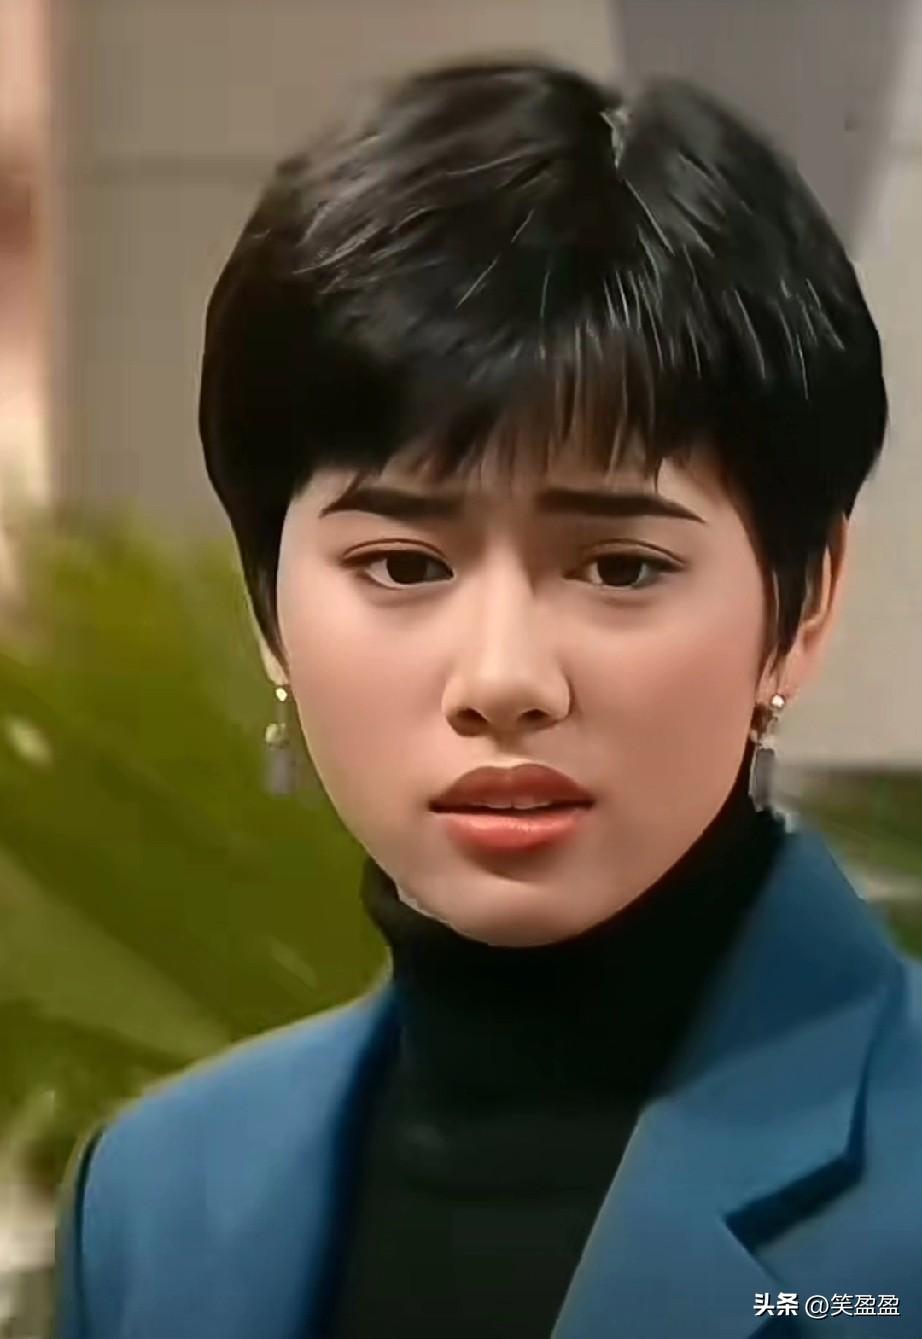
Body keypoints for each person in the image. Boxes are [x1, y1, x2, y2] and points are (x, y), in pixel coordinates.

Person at [55, 58, 922, 1338]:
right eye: (403, 565)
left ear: (801, 606)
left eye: (618, 566)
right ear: (267, 606)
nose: (504, 678)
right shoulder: (153, 1199)